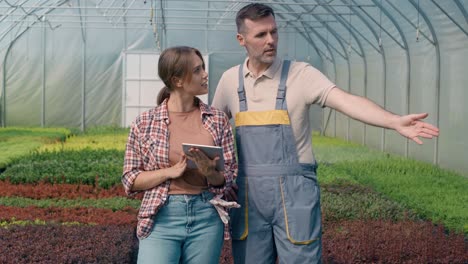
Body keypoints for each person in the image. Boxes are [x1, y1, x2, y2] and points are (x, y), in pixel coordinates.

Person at [212, 3, 440, 264]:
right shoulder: (230, 81)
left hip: (295, 195)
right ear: (241, 40)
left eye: (274, 32)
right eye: (261, 35)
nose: (271, 40)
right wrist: (217, 177)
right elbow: (211, 131)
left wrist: (394, 121)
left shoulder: (300, 74)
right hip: (249, 198)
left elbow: (346, 101)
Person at [122, 46, 238, 264]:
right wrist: (169, 172)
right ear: (177, 80)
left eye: (203, 67)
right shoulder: (144, 123)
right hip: (162, 216)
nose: (205, 74)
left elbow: (228, 177)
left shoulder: (217, 120)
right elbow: (130, 179)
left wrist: (211, 173)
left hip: (206, 216)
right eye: (197, 70)